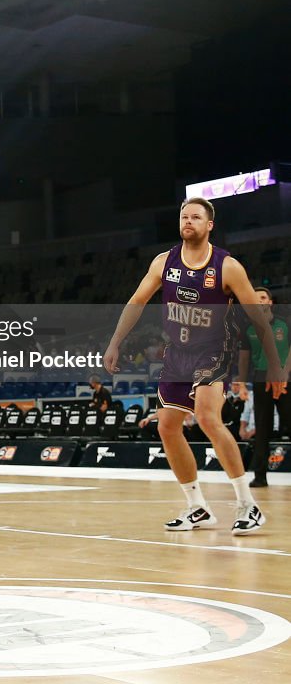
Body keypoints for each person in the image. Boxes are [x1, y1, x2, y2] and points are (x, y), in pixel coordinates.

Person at [104, 197, 285, 534]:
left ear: (209, 225)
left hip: (214, 350)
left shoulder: (227, 266)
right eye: (184, 216)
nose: (188, 221)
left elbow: (260, 321)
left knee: (205, 416)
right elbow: (136, 301)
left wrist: (274, 366)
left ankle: (248, 504)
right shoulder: (163, 262)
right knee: (166, 426)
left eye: (196, 217)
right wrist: (115, 342)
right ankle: (197, 506)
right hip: (178, 353)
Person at [237, 287, 291, 487]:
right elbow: (243, 360)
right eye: (255, 298)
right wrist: (241, 383)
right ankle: (260, 476)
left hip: (286, 381)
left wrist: (284, 372)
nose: (259, 301)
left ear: (270, 302)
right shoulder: (248, 328)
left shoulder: (285, 324)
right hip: (260, 380)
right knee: (262, 429)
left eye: (262, 297)